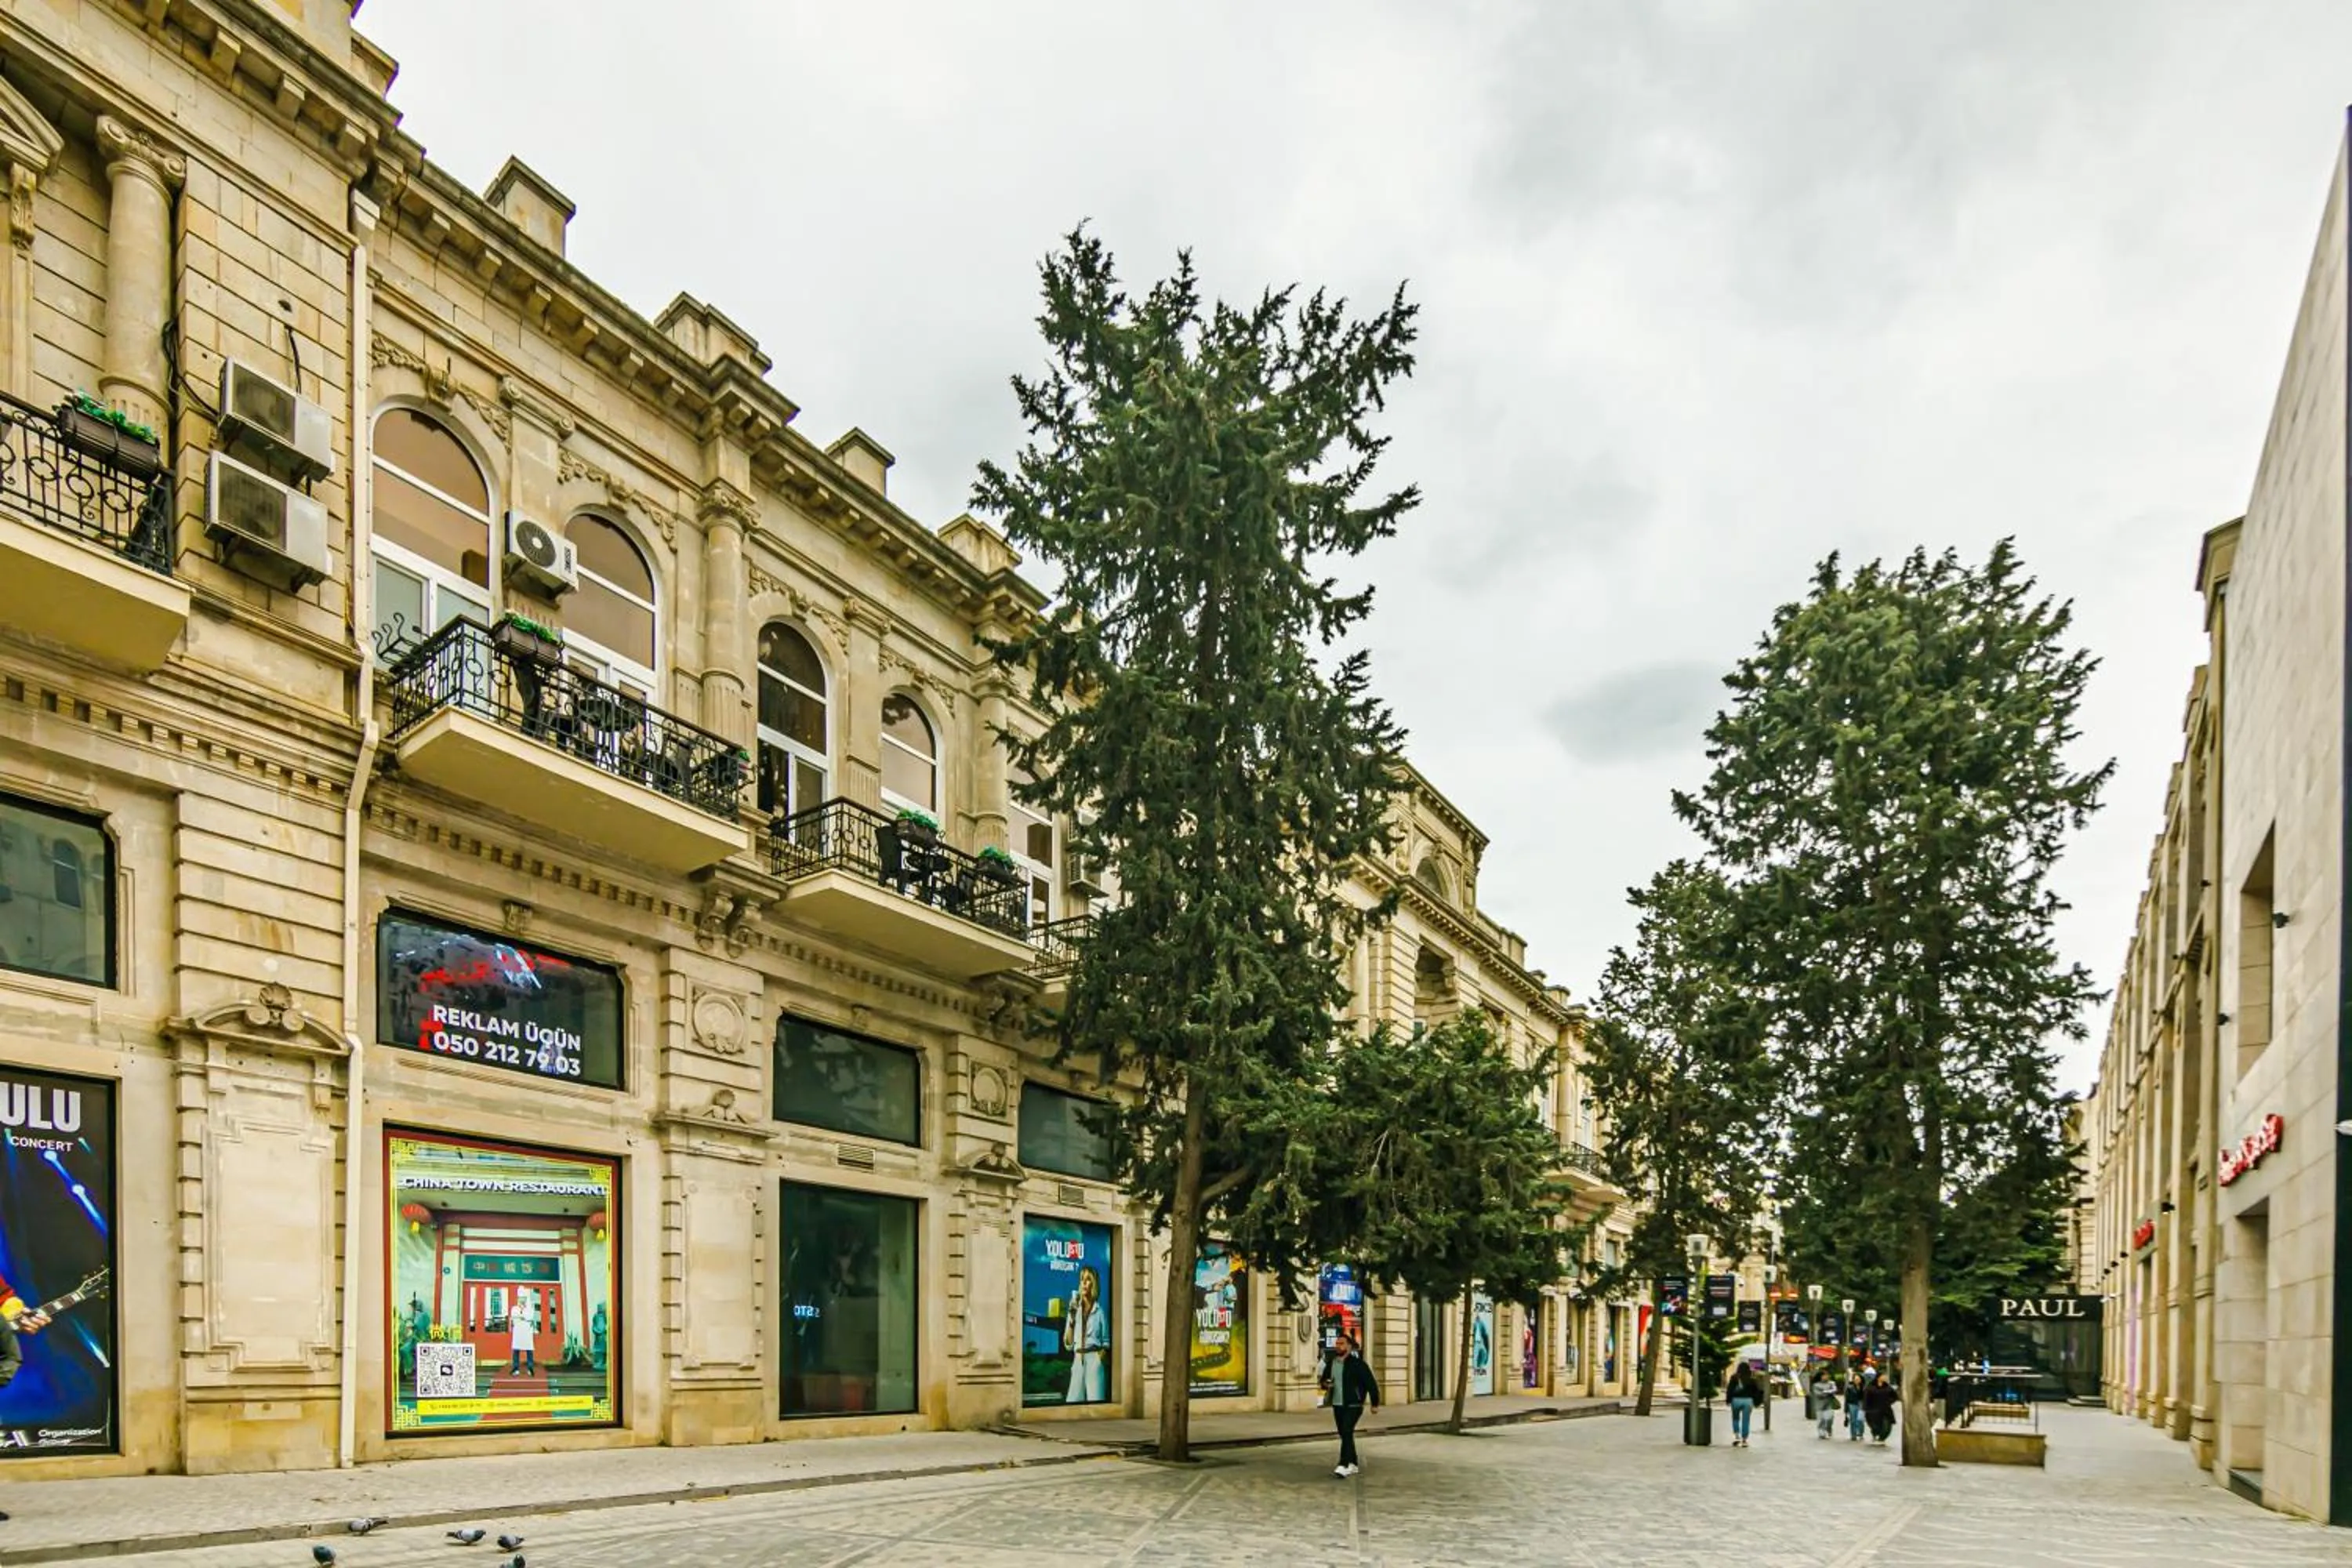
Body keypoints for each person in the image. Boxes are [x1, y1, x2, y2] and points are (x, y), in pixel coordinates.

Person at [1319, 1327, 1381, 1477]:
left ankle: (1344, 1464)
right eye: (1337, 1343)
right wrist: (1326, 1384)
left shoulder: (1358, 1364)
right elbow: (1323, 1380)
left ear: (1348, 1346)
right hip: (1337, 1403)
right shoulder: (1332, 1363)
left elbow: (1371, 1384)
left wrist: (1375, 1403)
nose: (1338, 1346)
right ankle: (1353, 1463)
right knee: (1345, 1433)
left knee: (1347, 1430)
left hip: (1354, 1404)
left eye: (1341, 1343)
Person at [1062, 1266, 1109, 1403]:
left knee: (1096, 1401)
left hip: (1094, 1359)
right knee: (1072, 1401)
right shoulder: (1074, 1309)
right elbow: (1068, 1344)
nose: (1084, 1283)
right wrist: (1071, 1318)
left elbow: (1106, 1340)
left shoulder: (1100, 1312)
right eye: (1082, 1279)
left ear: (1093, 1284)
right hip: (1077, 1360)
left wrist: (1101, 1357)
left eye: (1088, 1279)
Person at [1725, 1359, 1763, 1447]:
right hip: (1748, 1401)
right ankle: (1744, 1440)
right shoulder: (1751, 1379)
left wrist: (1728, 1400)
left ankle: (1737, 1437)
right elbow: (1756, 1391)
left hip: (1736, 1400)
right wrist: (1756, 1401)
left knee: (1735, 1418)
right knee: (1746, 1420)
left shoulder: (1734, 1378)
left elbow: (1730, 1389)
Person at [507, 1287, 539, 1377]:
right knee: (516, 1350)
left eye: (524, 1299)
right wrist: (522, 1315)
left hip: (527, 1331)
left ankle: (530, 1368)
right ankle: (516, 1368)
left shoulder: (530, 1308)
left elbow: (530, 1317)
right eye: (520, 1299)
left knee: (529, 1350)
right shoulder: (514, 1308)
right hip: (518, 1332)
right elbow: (514, 1316)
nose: (522, 1301)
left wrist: (522, 1316)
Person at [1865, 1372, 1899, 1443]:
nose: (1885, 1378)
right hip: (1873, 1410)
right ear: (1879, 1377)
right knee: (1875, 1426)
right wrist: (1867, 1408)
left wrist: (1889, 1402)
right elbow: (1866, 1399)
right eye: (1883, 1376)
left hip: (1886, 1410)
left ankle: (1882, 1438)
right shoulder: (1871, 1387)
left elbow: (1895, 1396)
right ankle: (1875, 1435)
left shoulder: (1888, 1387)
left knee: (1887, 1426)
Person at [1810, 1367, 1839, 1439]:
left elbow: (1834, 1390)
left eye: (1827, 1375)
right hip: (1819, 1405)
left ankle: (1829, 1429)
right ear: (1820, 1376)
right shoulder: (1816, 1385)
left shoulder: (1831, 1383)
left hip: (1829, 1404)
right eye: (1824, 1375)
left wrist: (1825, 1391)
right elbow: (1818, 1394)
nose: (1826, 1377)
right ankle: (1821, 1433)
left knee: (1829, 1418)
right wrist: (1828, 1392)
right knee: (1821, 1420)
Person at [1845, 1369, 1867, 1441]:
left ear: (1861, 1379)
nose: (1857, 1380)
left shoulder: (1864, 1387)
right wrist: (1846, 1409)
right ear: (1853, 1380)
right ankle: (1853, 1435)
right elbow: (1847, 1399)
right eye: (1856, 1379)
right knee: (1853, 1420)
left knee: (1860, 1420)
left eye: (1858, 1379)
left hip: (1861, 1404)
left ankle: (1860, 1433)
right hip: (1852, 1404)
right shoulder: (1849, 1387)